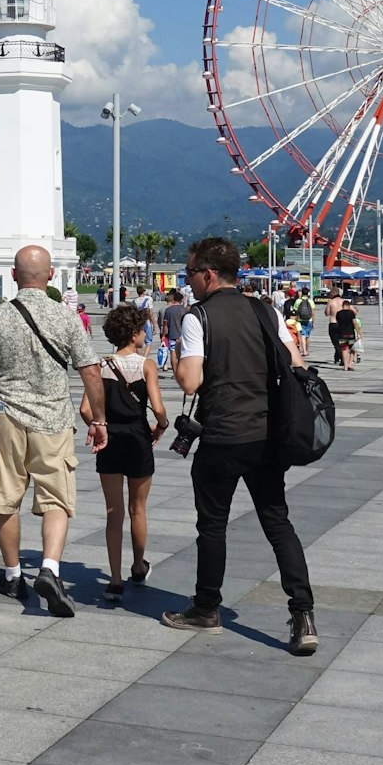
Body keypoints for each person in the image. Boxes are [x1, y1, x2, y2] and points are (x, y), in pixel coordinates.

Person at [163, 236, 317, 656]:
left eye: (190, 272)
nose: (188, 280)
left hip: (223, 436)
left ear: (209, 274)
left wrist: (177, 350)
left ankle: (206, 608)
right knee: (277, 522)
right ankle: (303, 614)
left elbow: (190, 381)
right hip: (268, 436)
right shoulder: (264, 309)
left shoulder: (199, 318)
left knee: (212, 525)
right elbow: (296, 364)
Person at [0, 245, 108, 617]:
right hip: (53, 419)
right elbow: (90, 370)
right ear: (51, 275)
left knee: (5, 497)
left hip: (6, 416)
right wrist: (99, 419)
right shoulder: (67, 317)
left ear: (13, 274)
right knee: (56, 499)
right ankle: (50, 568)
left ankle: (12, 574)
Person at [82, 304, 166, 599]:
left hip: (110, 439)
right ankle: (138, 566)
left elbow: (84, 409)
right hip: (138, 437)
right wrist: (162, 427)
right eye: (143, 329)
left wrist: (99, 424)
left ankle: (115, 579)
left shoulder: (98, 366)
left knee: (113, 512)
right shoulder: (146, 365)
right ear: (133, 334)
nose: (146, 334)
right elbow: (157, 409)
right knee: (138, 509)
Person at [162, 288, 187, 368]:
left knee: (173, 353)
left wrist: (163, 335)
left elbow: (165, 324)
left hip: (172, 334)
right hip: (183, 336)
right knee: (182, 354)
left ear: (174, 300)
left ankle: (175, 371)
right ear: (181, 300)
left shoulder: (168, 310)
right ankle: (181, 369)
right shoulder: (185, 310)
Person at [335, 298, 359, 371]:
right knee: (352, 349)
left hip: (341, 334)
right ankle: (349, 364)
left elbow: (337, 323)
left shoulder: (338, 313)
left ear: (343, 306)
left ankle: (345, 366)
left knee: (344, 350)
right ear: (349, 306)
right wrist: (359, 332)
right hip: (350, 334)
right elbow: (354, 323)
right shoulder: (351, 313)